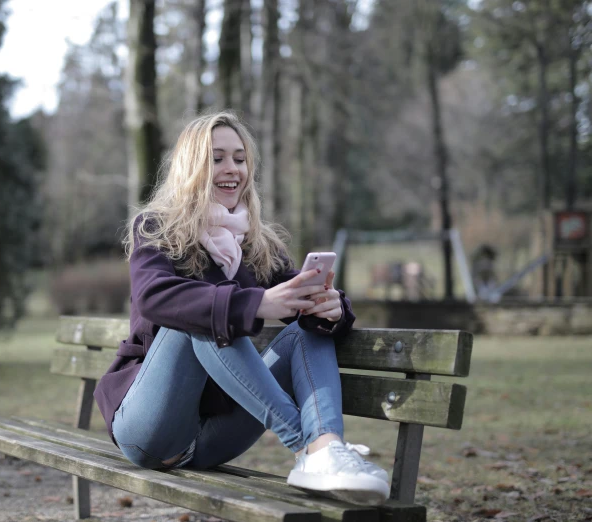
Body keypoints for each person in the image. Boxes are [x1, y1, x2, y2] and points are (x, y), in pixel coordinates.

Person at [93, 111, 390, 505]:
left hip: (214, 440)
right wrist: (260, 303)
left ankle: (325, 445)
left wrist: (331, 309)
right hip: (151, 429)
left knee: (307, 330)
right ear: (192, 167)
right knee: (198, 319)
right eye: (216, 158)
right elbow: (155, 297)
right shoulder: (155, 228)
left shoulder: (258, 245)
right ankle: (309, 447)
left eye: (239, 157)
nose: (231, 168)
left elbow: (305, 307)